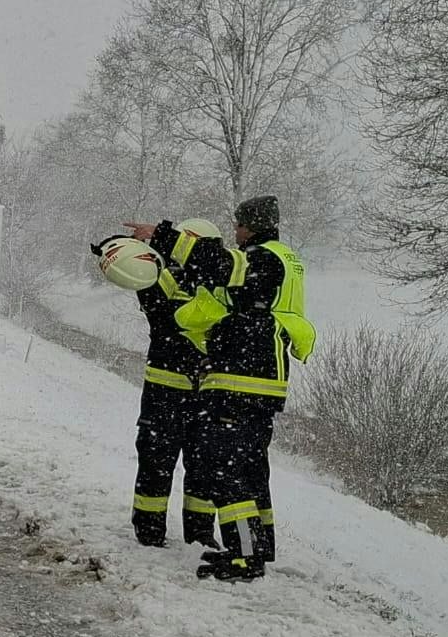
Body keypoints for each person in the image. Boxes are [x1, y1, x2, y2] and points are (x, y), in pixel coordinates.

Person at [126, 196, 314, 582]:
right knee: (248, 465)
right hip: (263, 378)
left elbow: (220, 265)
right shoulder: (287, 260)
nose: (235, 232)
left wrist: (161, 236)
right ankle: (260, 547)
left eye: (239, 226)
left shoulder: (264, 258)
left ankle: (245, 555)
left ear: (252, 226)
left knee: (221, 468)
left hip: (241, 377)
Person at [97, 217, 223, 550]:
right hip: (183, 392)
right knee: (177, 464)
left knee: (185, 464)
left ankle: (181, 532)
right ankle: (166, 532)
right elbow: (134, 268)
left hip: (174, 393)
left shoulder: (183, 280)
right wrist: (121, 246)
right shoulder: (162, 276)